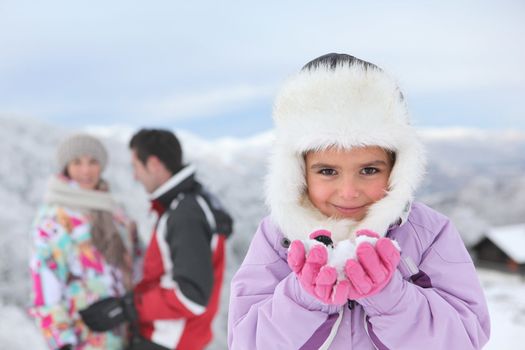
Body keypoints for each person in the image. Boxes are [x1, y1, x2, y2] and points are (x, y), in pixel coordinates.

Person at [227, 53, 490, 349]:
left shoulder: (429, 233)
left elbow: (465, 339)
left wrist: (390, 296)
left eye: (369, 170)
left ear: (396, 167)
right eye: (327, 171)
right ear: (298, 172)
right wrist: (304, 297)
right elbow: (246, 342)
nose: (349, 191)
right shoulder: (277, 238)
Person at [80, 128, 233, 350]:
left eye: (136, 167)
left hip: (168, 341)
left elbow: (191, 296)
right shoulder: (180, 207)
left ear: (153, 164)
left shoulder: (185, 214)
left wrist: (127, 308)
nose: (134, 176)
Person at [29, 134, 142, 350]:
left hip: (123, 332)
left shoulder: (116, 213)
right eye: (77, 162)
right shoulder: (54, 219)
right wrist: (63, 343)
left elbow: (135, 264)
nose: (86, 170)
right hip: (82, 337)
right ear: (66, 167)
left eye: (92, 162)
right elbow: (45, 286)